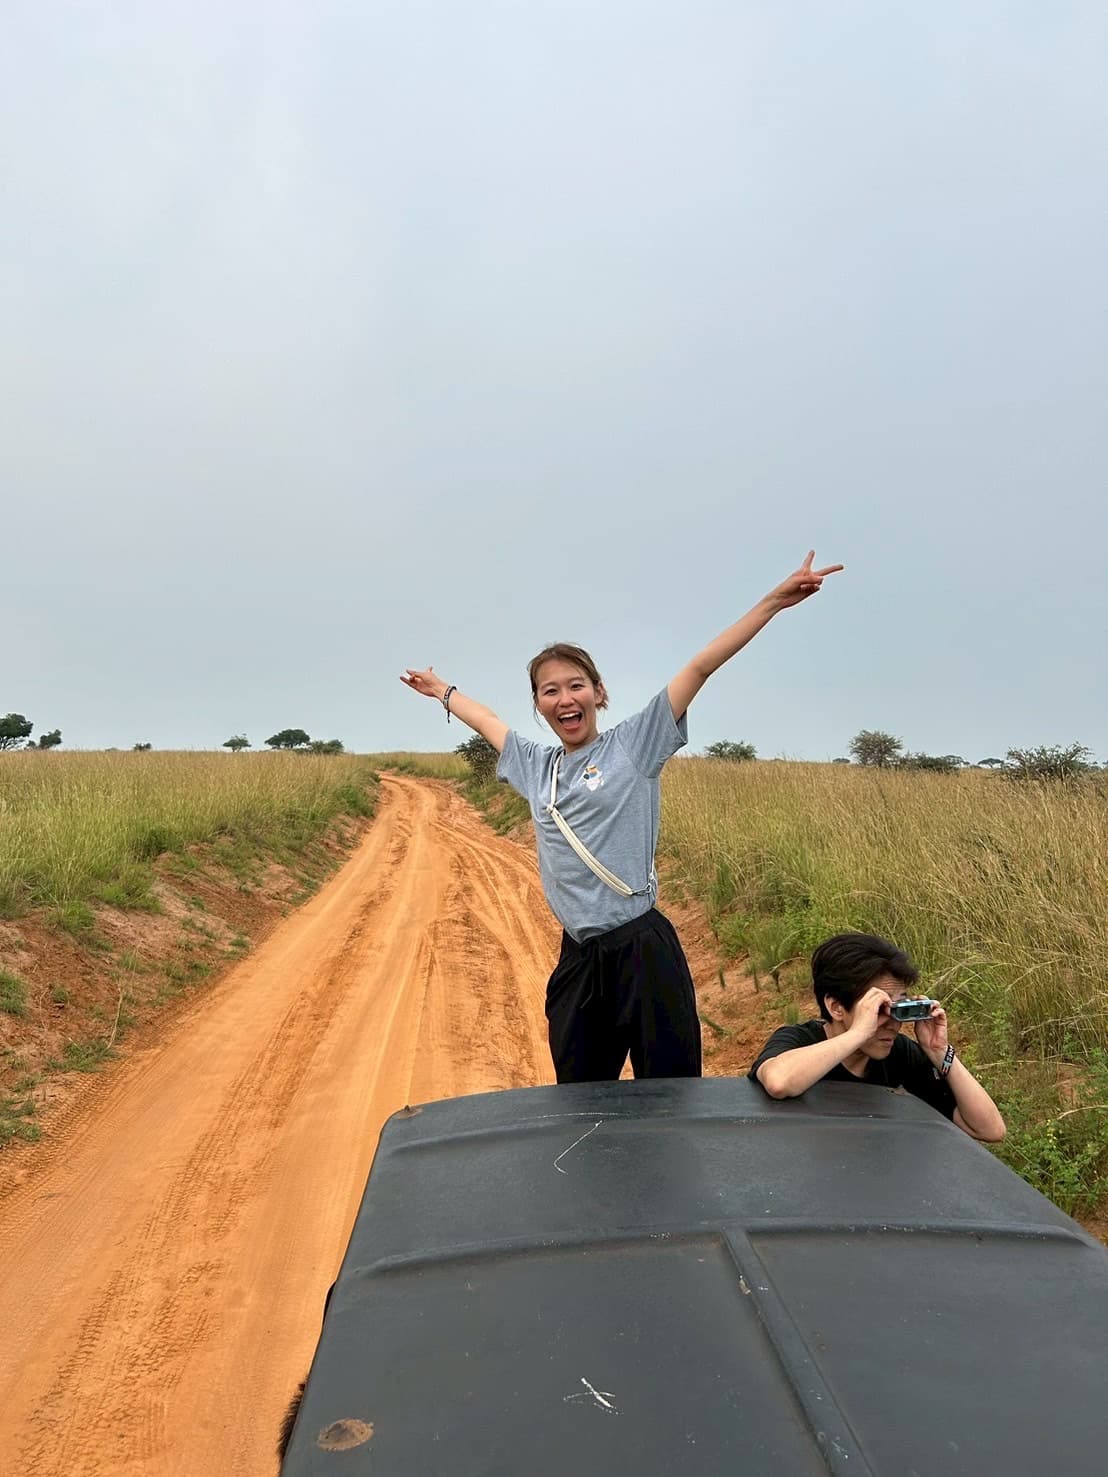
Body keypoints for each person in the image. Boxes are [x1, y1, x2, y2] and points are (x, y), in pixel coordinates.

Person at [401, 551, 843, 1085]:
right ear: (539, 705)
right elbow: (487, 720)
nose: (565, 699)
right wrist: (441, 691)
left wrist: (773, 602)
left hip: (643, 950)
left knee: (670, 1092)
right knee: (581, 1097)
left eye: (576, 685)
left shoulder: (634, 745)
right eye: (550, 691)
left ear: (598, 693)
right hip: (579, 958)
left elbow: (699, 666)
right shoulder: (534, 765)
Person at [749, 932, 1006, 1141]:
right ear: (836, 1007)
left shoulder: (898, 1053)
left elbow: (989, 1129)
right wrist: (860, 1032)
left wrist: (940, 1052)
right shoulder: (798, 1040)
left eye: (899, 1008)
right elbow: (779, 1081)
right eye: (879, 1009)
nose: (892, 1024)